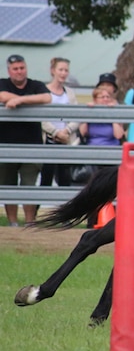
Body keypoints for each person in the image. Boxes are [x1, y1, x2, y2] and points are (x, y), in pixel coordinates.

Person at [0, 54, 51, 226]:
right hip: (6, 145)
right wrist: (25, 100)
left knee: (29, 185)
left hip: (32, 145)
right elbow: (2, 95)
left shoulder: (35, 84)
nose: (19, 72)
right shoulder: (3, 83)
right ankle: (13, 222)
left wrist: (19, 100)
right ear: (9, 70)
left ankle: (30, 223)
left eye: (22, 68)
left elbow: (47, 98)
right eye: (15, 69)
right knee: (8, 185)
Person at [78, 86, 124, 227]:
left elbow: (119, 135)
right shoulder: (91, 112)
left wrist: (112, 115)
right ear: (95, 99)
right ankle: (92, 221)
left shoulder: (115, 113)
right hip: (93, 155)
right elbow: (82, 132)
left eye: (107, 97)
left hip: (112, 155)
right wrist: (89, 113)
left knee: (112, 189)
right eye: (101, 97)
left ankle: (113, 222)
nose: (105, 100)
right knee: (93, 189)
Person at [41, 57, 81, 188]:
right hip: (49, 140)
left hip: (65, 140)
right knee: (46, 179)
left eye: (66, 70)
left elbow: (76, 116)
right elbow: (41, 118)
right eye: (61, 70)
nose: (63, 73)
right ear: (53, 71)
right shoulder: (43, 90)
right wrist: (55, 132)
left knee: (65, 179)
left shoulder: (69, 93)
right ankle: (36, 207)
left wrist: (66, 131)